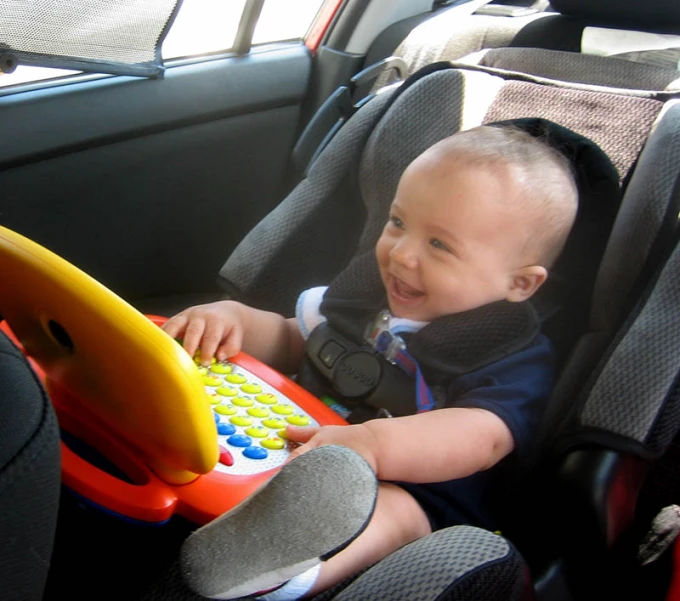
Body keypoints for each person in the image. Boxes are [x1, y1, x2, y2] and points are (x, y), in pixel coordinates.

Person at [162, 124, 579, 600]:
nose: (401, 254)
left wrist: (372, 446)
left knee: (399, 516)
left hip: (414, 490)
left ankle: (288, 571)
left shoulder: (508, 352)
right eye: (398, 222)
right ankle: (255, 526)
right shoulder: (362, 297)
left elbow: (482, 436)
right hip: (290, 445)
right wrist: (233, 320)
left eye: (439, 245)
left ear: (520, 284)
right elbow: (295, 339)